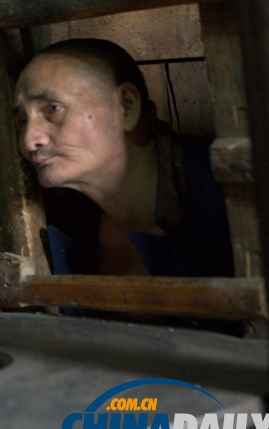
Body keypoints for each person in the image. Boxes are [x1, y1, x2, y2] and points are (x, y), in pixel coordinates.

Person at [12, 38, 234, 279]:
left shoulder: (229, 196)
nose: (28, 141)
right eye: (23, 121)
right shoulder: (70, 224)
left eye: (52, 109)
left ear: (126, 107)